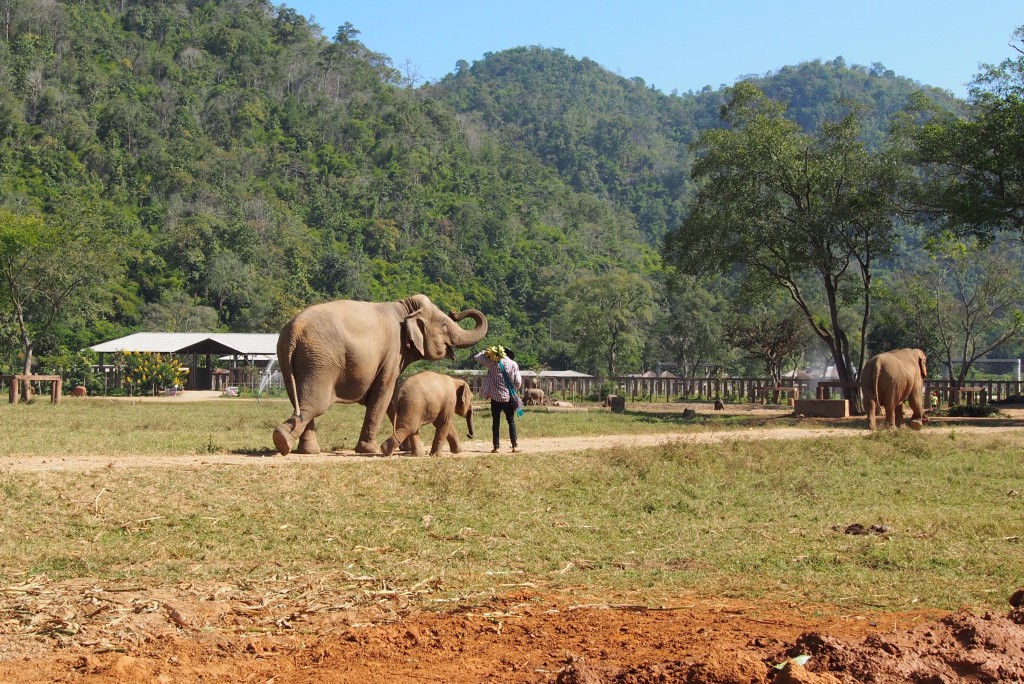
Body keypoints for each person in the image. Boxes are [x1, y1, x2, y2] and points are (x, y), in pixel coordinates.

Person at [474, 344, 523, 453]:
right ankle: (514, 446)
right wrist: (512, 388)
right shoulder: (513, 364)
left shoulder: (492, 363)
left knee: (496, 422)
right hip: (508, 398)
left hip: (495, 398)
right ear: (509, 355)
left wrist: (487, 352)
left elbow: (477, 357)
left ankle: (496, 447)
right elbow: (518, 382)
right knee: (511, 421)